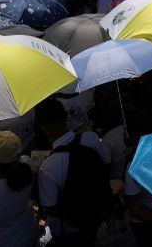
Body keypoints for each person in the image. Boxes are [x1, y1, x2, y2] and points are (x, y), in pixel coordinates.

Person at [35, 98, 113, 245]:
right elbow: (106, 164)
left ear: (43, 128)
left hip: (74, 231)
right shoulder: (92, 138)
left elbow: (51, 209)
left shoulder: (47, 167)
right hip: (104, 216)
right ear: (65, 116)